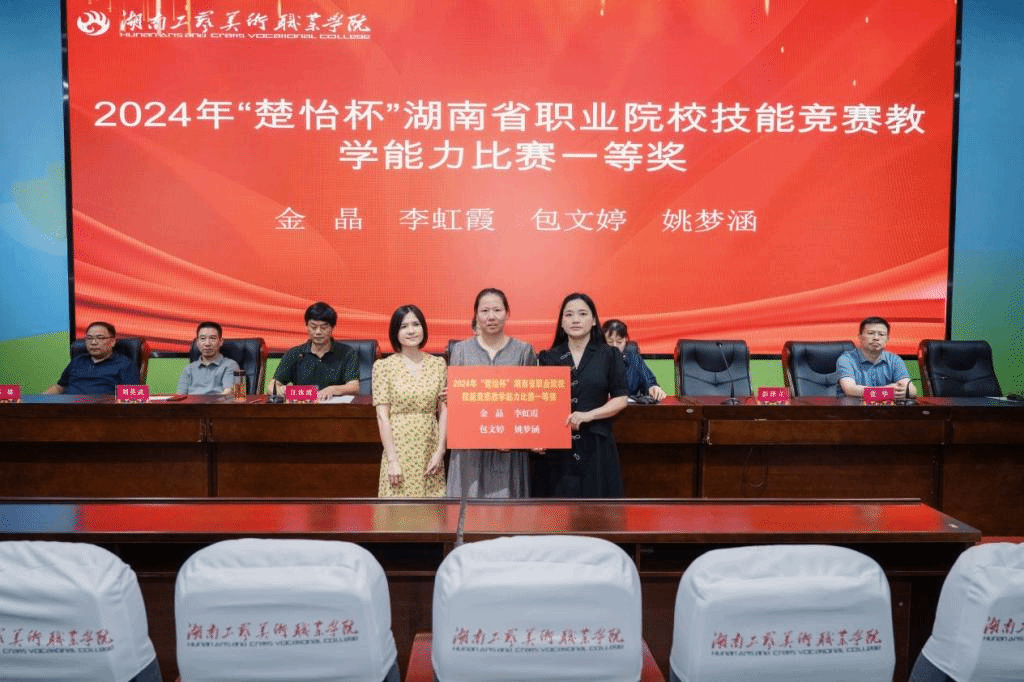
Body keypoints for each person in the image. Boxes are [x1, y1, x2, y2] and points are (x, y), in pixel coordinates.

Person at [533, 293, 629, 498]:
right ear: (562, 323)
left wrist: (589, 415)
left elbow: (621, 399)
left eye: (582, 314)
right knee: (558, 511)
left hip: (597, 446)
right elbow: (540, 404)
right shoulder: (548, 357)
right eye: (569, 315)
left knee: (597, 511)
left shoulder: (609, 355)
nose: (575, 320)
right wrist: (540, 436)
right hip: (558, 450)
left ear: (593, 320)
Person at [447, 288, 537, 498]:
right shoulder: (460, 350)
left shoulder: (524, 351)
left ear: (507, 313)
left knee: (507, 510)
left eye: (497, 310)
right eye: (485, 310)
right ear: (476, 315)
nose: (491, 316)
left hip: (510, 450)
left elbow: (531, 401)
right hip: (469, 449)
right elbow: (455, 399)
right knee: (467, 510)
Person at [373, 305, 448, 497]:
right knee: (398, 509)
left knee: (431, 509)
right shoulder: (383, 367)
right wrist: (392, 460)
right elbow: (382, 416)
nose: (411, 331)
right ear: (395, 332)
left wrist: (440, 450)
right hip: (398, 447)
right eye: (404, 326)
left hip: (430, 446)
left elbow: (444, 410)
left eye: (416, 324)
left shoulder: (438, 364)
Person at [267, 301, 359, 401]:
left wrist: (332, 390)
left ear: (333, 328)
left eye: (323, 327)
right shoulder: (294, 353)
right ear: (306, 327)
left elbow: (354, 387)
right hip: (303, 407)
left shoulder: (347, 352)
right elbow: (272, 386)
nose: (318, 332)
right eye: (313, 327)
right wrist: (279, 390)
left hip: (335, 407)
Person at [44, 321, 140, 395]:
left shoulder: (125, 364)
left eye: (100, 338)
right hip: (67, 409)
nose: (93, 342)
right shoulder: (78, 361)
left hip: (100, 412)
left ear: (112, 342)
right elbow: (59, 387)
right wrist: (39, 401)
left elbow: (135, 397)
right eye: (89, 338)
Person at [837, 316, 917, 399]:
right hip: (855, 406)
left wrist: (907, 391)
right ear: (860, 337)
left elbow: (912, 390)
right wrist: (885, 392)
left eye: (881, 334)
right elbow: (849, 389)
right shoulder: (847, 359)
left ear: (887, 339)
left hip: (886, 406)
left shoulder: (894, 360)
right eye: (871, 333)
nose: (876, 338)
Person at [601, 319, 667, 401]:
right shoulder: (595, 358)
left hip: (628, 406)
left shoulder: (632, 356)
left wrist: (653, 388)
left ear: (625, 340)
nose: (615, 346)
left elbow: (648, 381)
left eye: (619, 342)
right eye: (610, 342)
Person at [176, 321, 241, 395]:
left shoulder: (230, 365)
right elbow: (180, 396)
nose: (207, 343)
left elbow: (228, 393)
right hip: (192, 402)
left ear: (220, 342)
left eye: (212, 338)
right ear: (197, 342)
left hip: (218, 402)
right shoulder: (189, 369)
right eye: (203, 338)